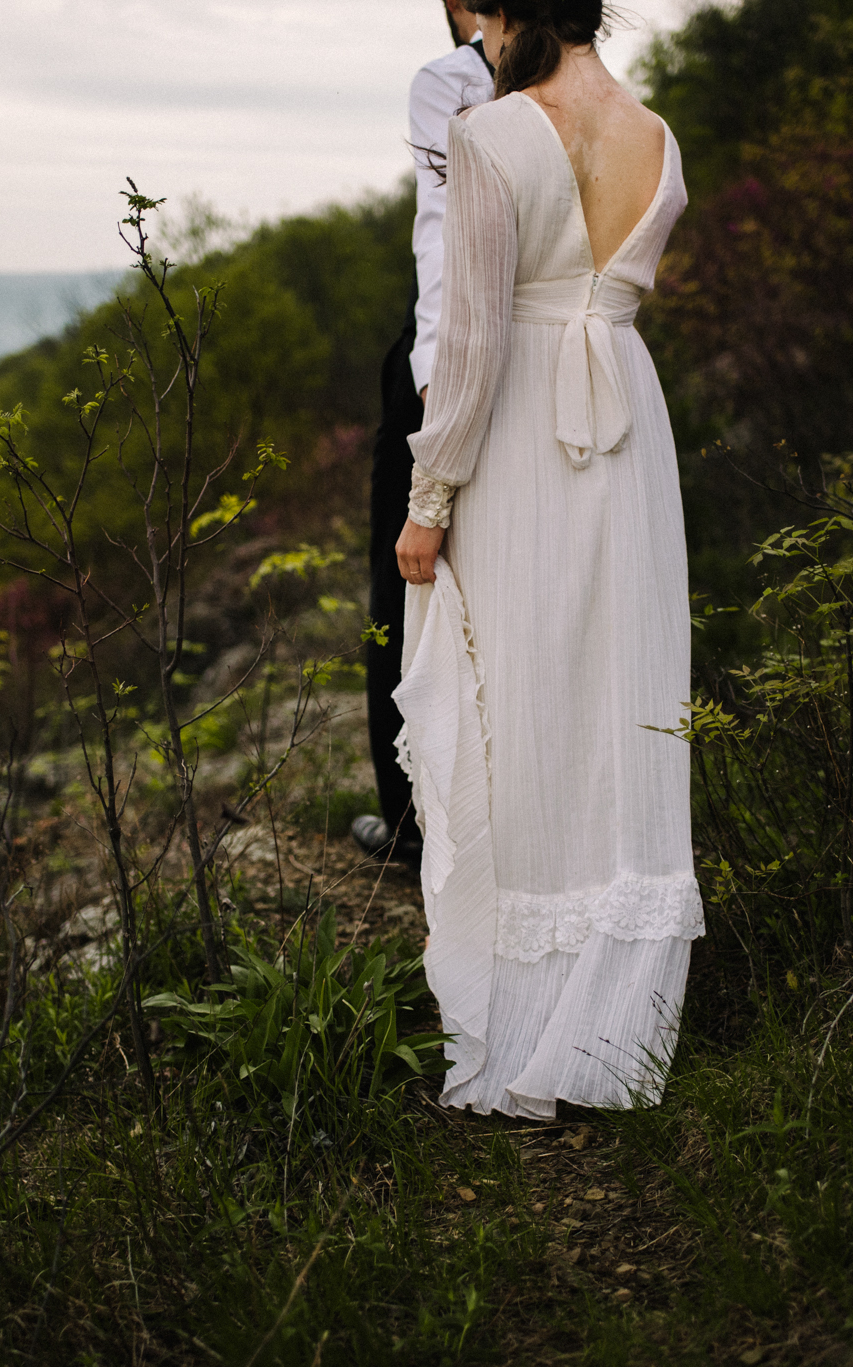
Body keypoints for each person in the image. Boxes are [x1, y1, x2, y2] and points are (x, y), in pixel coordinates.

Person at [391, 0, 702, 1117]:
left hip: (527, 422)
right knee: (622, 698)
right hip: (626, 419)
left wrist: (427, 499)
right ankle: (616, 1018)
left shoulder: (490, 132)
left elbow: (470, 340)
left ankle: (527, 1019)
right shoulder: (657, 137)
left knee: (519, 699)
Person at [355, 0, 496, 867]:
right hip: (553, 369)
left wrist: (433, 457)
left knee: (403, 589)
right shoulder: (602, 94)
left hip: (443, 371)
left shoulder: (455, 81)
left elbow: (442, 260)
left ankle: (412, 822)